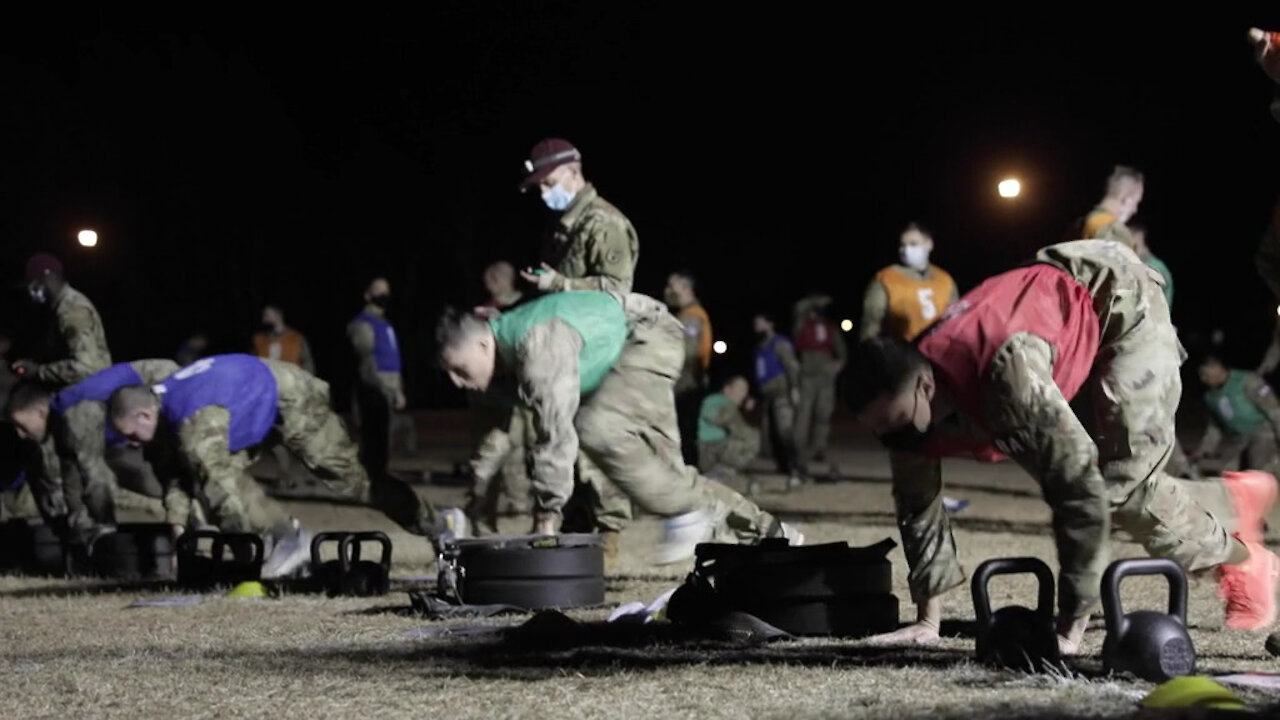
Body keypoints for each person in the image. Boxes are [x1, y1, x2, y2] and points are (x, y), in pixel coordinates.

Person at [847, 240, 1278, 654]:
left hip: (1119, 297)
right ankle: (1230, 499)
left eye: (897, 425)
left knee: (1124, 489)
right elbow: (918, 508)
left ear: (925, 386)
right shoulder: (905, 406)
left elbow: (1079, 491)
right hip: (1058, 318)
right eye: (881, 431)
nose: (893, 441)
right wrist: (928, 621)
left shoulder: (1006, 374)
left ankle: (1244, 561)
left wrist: (1070, 623)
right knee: (1124, 484)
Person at [437, 290, 801, 564]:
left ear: (484, 344)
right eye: (448, 374)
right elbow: (493, 439)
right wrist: (472, 508)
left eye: (459, 370)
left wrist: (546, 518)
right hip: (627, 352)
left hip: (646, 336)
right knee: (666, 476)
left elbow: (556, 433)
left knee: (594, 427)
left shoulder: (538, 346)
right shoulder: (497, 371)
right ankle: (774, 535)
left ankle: (686, 513)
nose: (455, 382)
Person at [108, 354, 459, 578]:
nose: (134, 445)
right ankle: (283, 539)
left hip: (290, 395)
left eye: (133, 435)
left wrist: (247, 563)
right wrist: (179, 535)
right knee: (215, 475)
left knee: (354, 482)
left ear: (144, 414)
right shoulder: (159, 416)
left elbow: (223, 497)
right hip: (250, 407)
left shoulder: (192, 423)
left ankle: (440, 523)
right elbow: (174, 478)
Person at [517, 137, 641, 553]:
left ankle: (609, 542)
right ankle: (571, 537)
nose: (543, 193)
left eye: (548, 182)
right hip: (566, 352)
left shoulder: (603, 223)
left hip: (599, 353)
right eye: (537, 187)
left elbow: (617, 292)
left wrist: (559, 283)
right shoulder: (562, 226)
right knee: (559, 442)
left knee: (596, 445)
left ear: (574, 171)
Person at [5, 360, 186, 550]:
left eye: (22, 426)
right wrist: (75, 527)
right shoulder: (62, 417)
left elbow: (96, 478)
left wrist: (105, 528)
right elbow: (71, 478)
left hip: (166, 381)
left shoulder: (74, 418)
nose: (20, 434)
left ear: (41, 412)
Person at [12, 253, 111, 387]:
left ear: (46, 278)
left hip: (91, 391)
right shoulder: (59, 307)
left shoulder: (72, 310)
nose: (30, 291)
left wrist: (38, 371)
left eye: (32, 284)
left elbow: (85, 367)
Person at [859, 223, 959, 342]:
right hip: (903, 355)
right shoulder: (885, 279)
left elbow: (957, 321)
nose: (906, 250)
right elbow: (870, 326)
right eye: (902, 245)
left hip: (940, 353)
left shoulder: (945, 280)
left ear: (929, 244)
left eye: (913, 244)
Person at [347, 277, 404, 479]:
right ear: (368, 295)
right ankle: (367, 478)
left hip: (389, 383)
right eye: (379, 291)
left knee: (385, 436)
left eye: (386, 291)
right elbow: (366, 360)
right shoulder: (362, 324)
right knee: (372, 435)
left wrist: (398, 390)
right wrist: (378, 387)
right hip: (374, 385)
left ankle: (379, 476)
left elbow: (393, 359)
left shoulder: (385, 324)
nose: (384, 295)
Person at [1193, 355, 1280, 477]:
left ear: (1217, 368)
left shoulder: (1247, 380)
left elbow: (1274, 410)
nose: (1203, 379)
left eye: (1205, 374)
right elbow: (1215, 427)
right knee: (1222, 469)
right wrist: (1204, 449)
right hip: (1237, 438)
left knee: (1260, 470)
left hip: (1262, 433)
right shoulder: (1210, 396)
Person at [793, 293, 846, 476]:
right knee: (803, 413)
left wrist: (837, 365)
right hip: (807, 374)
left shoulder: (830, 327)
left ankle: (818, 448)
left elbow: (841, 352)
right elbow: (799, 308)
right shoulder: (802, 325)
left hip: (825, 375)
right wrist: (814, 300)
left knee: (824, 413)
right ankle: (798, 449)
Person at [665, 271, 713, 466]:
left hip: (687, 383)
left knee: (684, 432)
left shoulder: (692, 317)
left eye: (672, 286)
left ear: (686, 289)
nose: (667, 290)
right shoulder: (686, 314)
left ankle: (690, 475)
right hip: (688, 381)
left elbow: (689, 353)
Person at [752, 313, 802, 488]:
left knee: (785, 431)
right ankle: (783, 466)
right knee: (772, 434)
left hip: (782, 394)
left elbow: (791, 366)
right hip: (768, 395)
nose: (756, 326)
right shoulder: (761, 346)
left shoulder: (779, 343)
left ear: (769, 324)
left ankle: (796, 467)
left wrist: (794, 388)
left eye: (760, 322)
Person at [697, 376, 761, 479]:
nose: (743, 394)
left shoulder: (727, 404)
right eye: (740, 389)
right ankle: (722, 470)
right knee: (753, 439)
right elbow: (717, 418)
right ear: (727, 389)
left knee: (751, 437)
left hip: (713, 450)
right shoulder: (717, 401)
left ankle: (723, 470)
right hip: (710, 449)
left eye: (745, 390)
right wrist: (734, 409)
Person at [1067, 166, 1144, 247]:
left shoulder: (1077, 224)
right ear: (1126, 200)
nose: (1135, 210)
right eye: (1136, 202)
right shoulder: (1115, 232)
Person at [252, 305, 315, 375]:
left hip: (292, 382)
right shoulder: (259, 339)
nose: (263, 318)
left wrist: (308, 382)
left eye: (267, 314)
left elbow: (308, 363)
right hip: (266, 381)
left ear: (278, 314)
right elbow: (252, 363)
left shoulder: (296, 338)